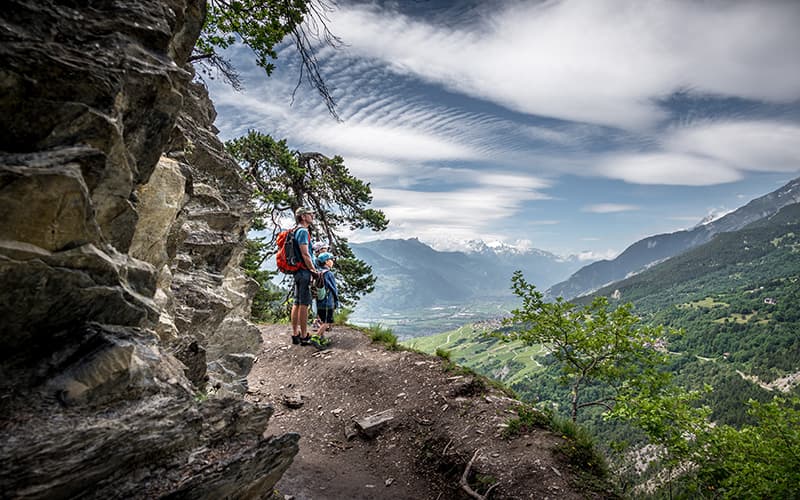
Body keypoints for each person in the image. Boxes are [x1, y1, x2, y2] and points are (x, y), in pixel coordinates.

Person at [291, 207, 319, 345]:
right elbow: (305, 254)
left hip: (298, 272)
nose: (312, 215)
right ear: (303, 216)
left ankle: (295, 334)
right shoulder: (302, 231)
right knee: (304, 304)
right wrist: (313, 270)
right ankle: (303, 336)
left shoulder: (296, 230)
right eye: (310, 214)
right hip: (304, 272)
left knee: (296, 302)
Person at [309, 252, 339, 350]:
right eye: (331, 259)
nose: (333, 261)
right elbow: (333, 289)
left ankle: (322, 339)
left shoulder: (318, 272)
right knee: (327, 321)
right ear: (326, 262)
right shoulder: (329, 274)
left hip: (320, 301)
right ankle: (316, 337)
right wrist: (336, 301)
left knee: (323, 320)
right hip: (328, 301)